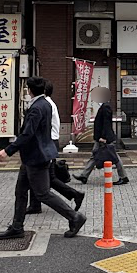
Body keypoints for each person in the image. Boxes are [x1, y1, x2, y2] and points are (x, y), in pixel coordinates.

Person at [0, 77, 85, 241]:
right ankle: (17, 226)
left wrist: (7, 151)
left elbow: (28, 133)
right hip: (35, 155)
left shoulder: (37, 107)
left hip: (36, 156)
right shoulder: (45, 104)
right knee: (21, 191)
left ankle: (74, 217)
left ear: (29, 89)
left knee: (43, 193)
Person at [42, 82, 85, 212]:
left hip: (47, 142)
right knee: (34, 176)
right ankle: (34, 203)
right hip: (48, 142)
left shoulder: (45, 105)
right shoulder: (48, 103)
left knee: (48, 177)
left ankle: (73, 201)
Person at [74, 86, 129, 185]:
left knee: (114, 157)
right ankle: (84, 176)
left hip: (104, 138)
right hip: (101, 137)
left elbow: (106, 123)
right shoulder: (104, 106)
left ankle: (123, 176)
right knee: (95, 156)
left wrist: (103, 137)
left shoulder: (106, 107)